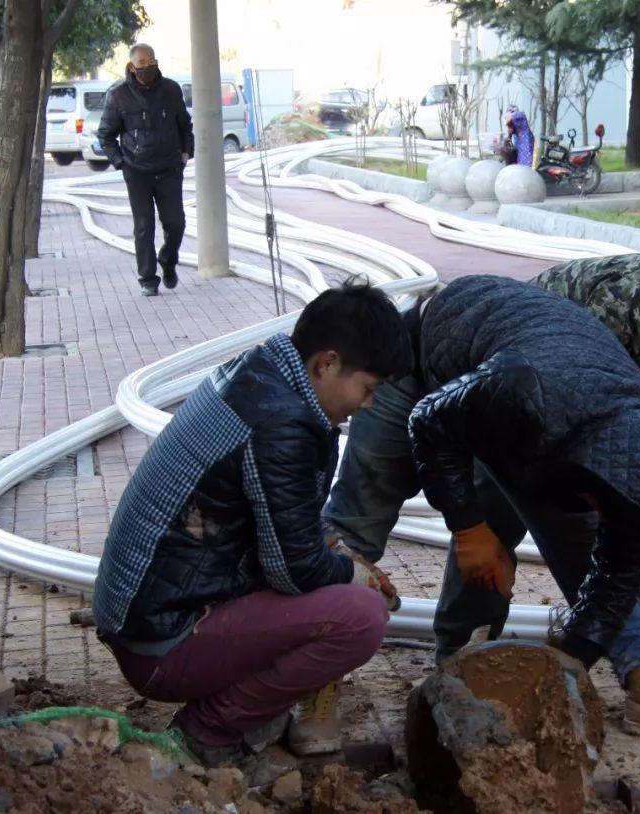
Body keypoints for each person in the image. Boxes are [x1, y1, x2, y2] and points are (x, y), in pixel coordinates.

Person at [326, 258, 640, 743]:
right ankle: (425, 662)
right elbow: (437, 423)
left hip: (588, 416)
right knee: (393, 509)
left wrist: (568, 665)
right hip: (497, 379)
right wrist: (467, 529)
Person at [92, 283, 412, 766]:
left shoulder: (266, 376)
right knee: (359, 617)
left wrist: (336, 554)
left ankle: (259, 709)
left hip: (150, 613)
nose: (368, 405)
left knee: (336, 577)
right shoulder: (280, 421)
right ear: (326, 364)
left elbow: (285, 524)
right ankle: (206, 732)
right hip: (161, 644)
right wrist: (353, 574)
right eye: (368, 389)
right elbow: (295, 570)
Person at [97, 43, 194, 297]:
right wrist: (120, 161)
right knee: (144, 225)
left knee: (176, 223)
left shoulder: (171, 90)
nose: (148, 67)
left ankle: (168, 260)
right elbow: (106, 135)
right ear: (132, 66)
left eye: (151, 62)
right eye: (142, 64)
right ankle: (148, 279)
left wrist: (186, 152)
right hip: (136, 171)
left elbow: (185, 124)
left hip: (170, 168)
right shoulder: (118, 95)